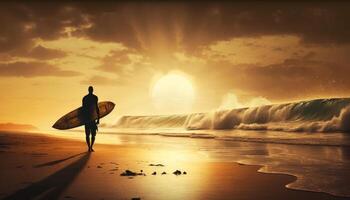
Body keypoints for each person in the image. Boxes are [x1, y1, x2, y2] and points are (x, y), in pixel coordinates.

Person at [82, 86, 100, 152]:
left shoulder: (85, 98)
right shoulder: (93, 97)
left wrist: (98, 119)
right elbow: (97, 108)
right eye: (91, 89)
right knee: (91, 134)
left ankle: (90, 147)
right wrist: (98, 119)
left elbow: (83, 109)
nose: (91, 90)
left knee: (90, 134)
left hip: (89, 119)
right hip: (91, 119)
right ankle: (90, 147)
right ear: (91, 90)